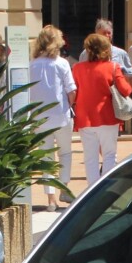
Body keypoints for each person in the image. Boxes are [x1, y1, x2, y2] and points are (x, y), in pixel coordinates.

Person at [71, 33, 132, 185]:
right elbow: (126, 90)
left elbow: (74, 91)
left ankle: (91, 193)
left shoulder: (77, 68)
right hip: (107, 117)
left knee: (90, 158)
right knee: (109, 155)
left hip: (84, 118)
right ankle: (106, 191)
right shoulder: (113, 67)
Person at [30, 25, 77, 211]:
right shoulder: (61, 63)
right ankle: (63, 188)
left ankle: (50, 199)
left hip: (39, 118)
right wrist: (69, 105)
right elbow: (71, 90)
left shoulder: (31, 64)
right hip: (61, 115)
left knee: (46, 156)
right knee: (65, 152)